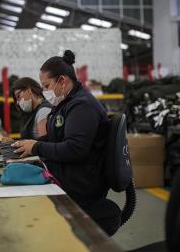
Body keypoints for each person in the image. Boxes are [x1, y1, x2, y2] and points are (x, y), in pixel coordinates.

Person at [13, 50, 112, 230]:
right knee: (17, 173)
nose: (44, 91)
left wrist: (37, 147)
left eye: (46, 86)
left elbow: (75, 149)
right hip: (71, 173)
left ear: (63, 80)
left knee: (21, 194)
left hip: (81, 182)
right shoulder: (65, 104)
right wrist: (24, 147)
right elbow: (54, 137)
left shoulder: (82, 105)